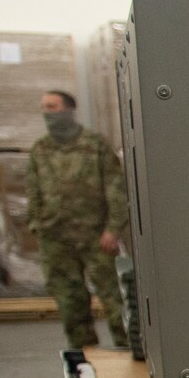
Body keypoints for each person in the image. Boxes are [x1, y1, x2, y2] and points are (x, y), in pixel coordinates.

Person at [26, 90, 129, 350]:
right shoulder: (40, 150)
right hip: (56, 239)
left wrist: (113, 229)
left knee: (115, 299)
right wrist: (37, 226)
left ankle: (128, 349)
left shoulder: (95, 145)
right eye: (44, 108)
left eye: (52, 106)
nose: (47, 113)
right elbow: (33, 191)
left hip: (96, 237)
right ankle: (84, 358)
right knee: (69, 302)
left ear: (69, 110)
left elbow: (116, 188)